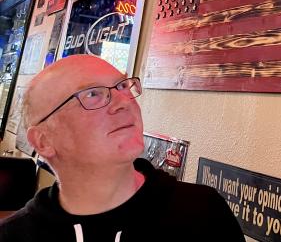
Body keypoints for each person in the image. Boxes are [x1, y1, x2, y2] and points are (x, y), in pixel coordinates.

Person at [0, 55, 244, 241]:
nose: (124, 102)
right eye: (93, 94)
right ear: (43, 141)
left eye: (123, 87)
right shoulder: (14, 236)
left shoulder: (203, 211)